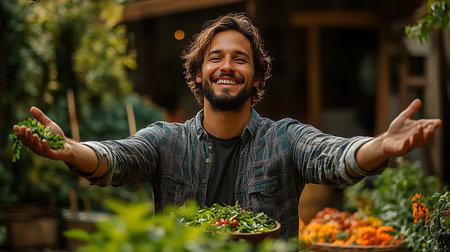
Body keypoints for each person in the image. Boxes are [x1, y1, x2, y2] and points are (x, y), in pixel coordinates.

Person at [12, 13, 442, 238]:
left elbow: (335, 157)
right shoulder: (166, 140)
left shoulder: (285, 138)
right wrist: (71, 151)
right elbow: (115, 159)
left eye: (241, 59)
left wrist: (382, 145)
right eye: (215, 58)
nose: (227, 67)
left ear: (256, 77)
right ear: (198, 73)